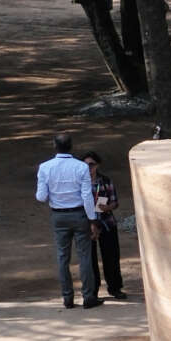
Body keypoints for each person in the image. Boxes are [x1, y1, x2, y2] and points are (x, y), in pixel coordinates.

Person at [35, 132, 101, 309]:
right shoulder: (81, 167)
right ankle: (88, 297)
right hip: (79, 214)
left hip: (59, 216)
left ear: (54, 146)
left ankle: (67, 298)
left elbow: (41, 197)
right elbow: (87, 196)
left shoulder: (45, 167)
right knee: (85, 256)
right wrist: (92, 219)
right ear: (71, 146)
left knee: (62, 257)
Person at [82, 150, 125, 300]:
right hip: (87, 225)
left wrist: (108, 207)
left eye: (91, 164)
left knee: (111, 256)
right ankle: (93, 290)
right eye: (85, 165)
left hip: (106, 222)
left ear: (97, 165)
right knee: (89, 259)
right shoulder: (79, 183)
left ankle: (115, 288)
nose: (89, 168)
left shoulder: (106, 181)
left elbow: (115, 202)